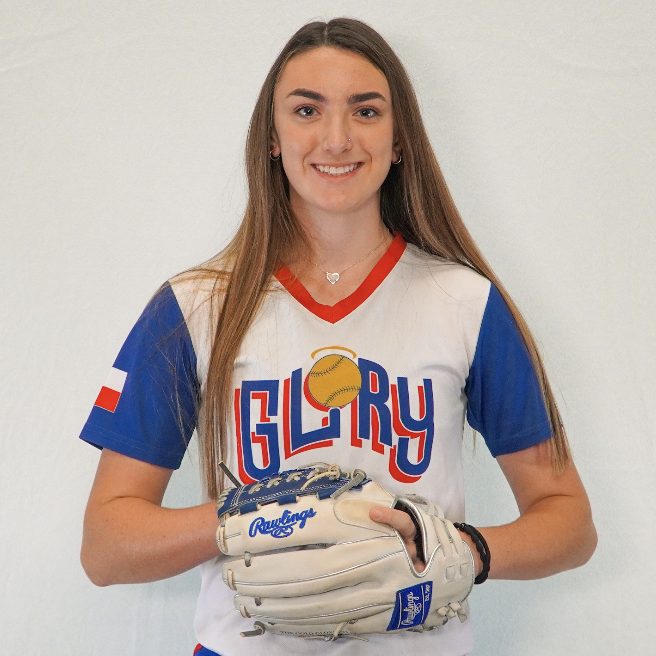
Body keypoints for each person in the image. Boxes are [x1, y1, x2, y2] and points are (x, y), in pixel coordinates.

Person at [79, 17, 597, 656]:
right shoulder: (194, 306)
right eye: (307, 110)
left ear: (399, 139)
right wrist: (253, 520)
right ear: (273, 137)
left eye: (366, 111)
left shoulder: (465, 303)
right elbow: (107, 547)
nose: (336, 138)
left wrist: (465, 549)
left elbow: (569, 521)